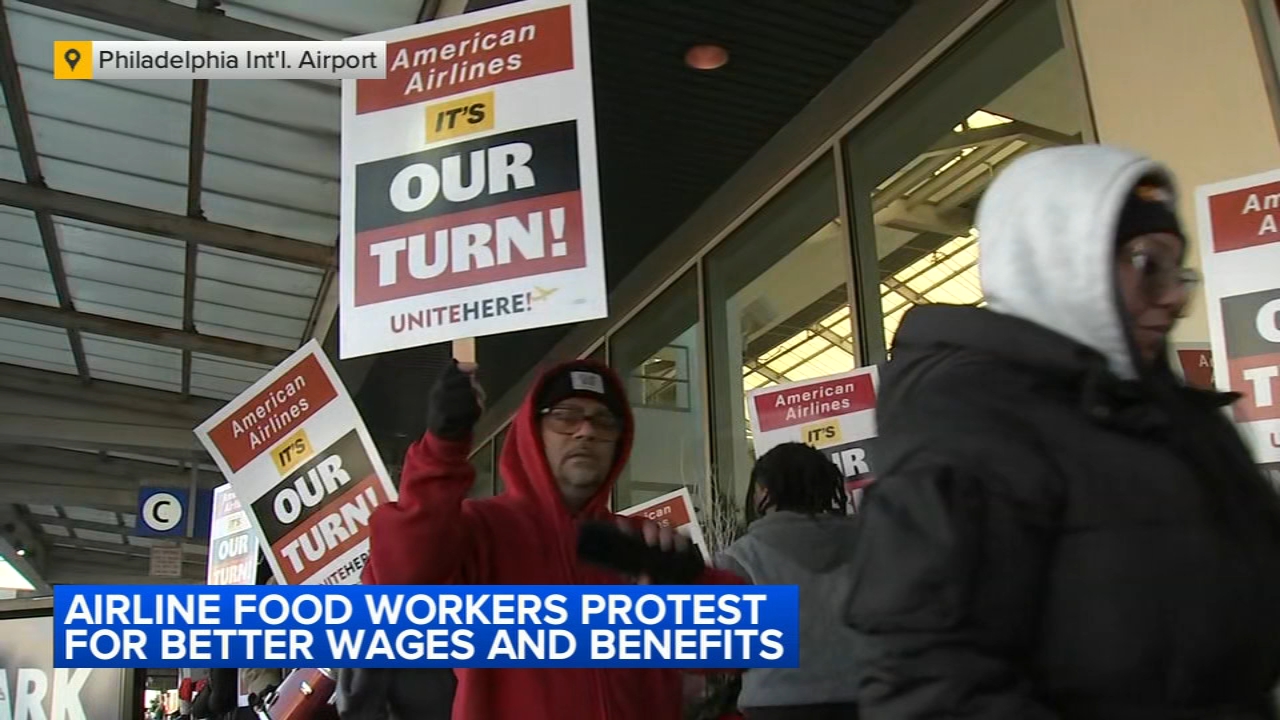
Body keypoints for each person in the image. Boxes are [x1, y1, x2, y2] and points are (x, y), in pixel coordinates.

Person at [845, 144, 1280, 719]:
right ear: (1062, 262)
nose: (1174, 296)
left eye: (1178, 271)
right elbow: (926, 685)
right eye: (1149, 265)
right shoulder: (972, 422)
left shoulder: (1179, 418)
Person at [363, 358, 743, 720]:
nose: (586, 430)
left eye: (603, 421)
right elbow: (401, 579)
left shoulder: (636, 542)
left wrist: (693, 583)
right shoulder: (478, 531)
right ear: (533, 432)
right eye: (566, 416)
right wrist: (441, 449)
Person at [713, 442, 860, 720]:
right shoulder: (871, 545)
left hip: (773, 704)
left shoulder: (742, 558)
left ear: (763, 492)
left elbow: (723, 654)